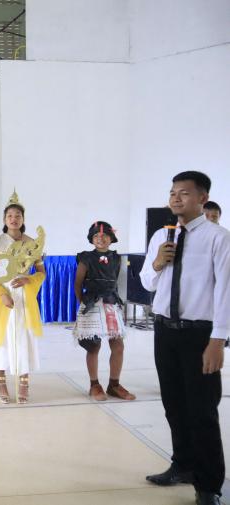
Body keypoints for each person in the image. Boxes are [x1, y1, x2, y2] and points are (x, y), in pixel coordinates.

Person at [141, 171, 229, 505]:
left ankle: (208, 484)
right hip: (164, 330)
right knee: (174, 405)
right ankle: (183, 464)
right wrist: (158, 263)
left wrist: (218, 340)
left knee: (202, 411)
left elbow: (226, 291)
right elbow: (147, 282)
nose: (176, 198)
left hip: (199, 335)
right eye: (172, 193)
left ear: (202, 198)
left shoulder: (218, 238)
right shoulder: (161, 236)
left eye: (184, 193)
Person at [0, 191, 45, 404]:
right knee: (2, 338)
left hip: (25, 295)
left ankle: (24, 381)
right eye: (10, 216)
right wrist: (1, 295)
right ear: (4, 220)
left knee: (24, 337)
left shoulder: (33, 243)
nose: (14, 219)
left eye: (18, 215)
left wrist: (29, 279)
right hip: (3, 294)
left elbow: (41, 272)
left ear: (23, 219)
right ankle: (1, 381)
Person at [72, 221, 135, 401]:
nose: (101, 238)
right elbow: (78, 284)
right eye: (96, 236)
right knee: (93, 346)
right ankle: (94, 385)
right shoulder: (86, 258)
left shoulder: (116, 258)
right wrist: (84, 306)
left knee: (118, 345)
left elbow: (116, 282)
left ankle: (114, 385)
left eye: (104, 235)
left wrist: (118, 304)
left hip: (111, 303)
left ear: (111, 238)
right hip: (92, 304)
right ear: (92, 239)